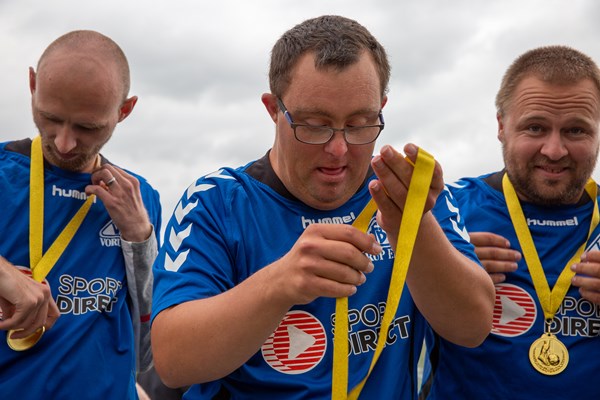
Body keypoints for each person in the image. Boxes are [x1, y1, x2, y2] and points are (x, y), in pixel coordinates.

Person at [150, 15, 494, 399]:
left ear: (382, 107)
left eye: (360, 123)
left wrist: (411, 229)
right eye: (315, 124)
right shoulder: (217, 200)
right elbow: (172, 360)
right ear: (273, 109)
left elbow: (472, 325)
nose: (338, 149)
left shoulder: (408, 194)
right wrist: (279, 284)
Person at [420, 45, 600, 399]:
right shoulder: (444, 209)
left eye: (576, 131)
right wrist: (444, 263)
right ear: (501, 126)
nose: (554, 150)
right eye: (535, 127)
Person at [0, 30, 161, 399]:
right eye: (50, 117)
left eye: (88, 127)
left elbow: (149, 352)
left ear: (125, 110)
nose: (63, 142)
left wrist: (140, 237)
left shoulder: (141, 199)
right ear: (32, 84)